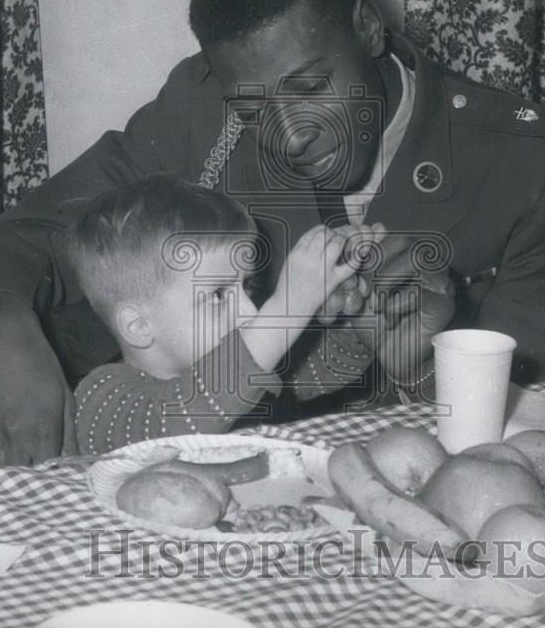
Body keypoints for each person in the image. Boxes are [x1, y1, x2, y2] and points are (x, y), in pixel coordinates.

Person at [0, 0, 545, 468]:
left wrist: (429, 365)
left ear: (368, 26)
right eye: (251, 109)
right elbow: (36, 231)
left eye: (309, 88)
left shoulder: (529, 167)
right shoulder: (200, 109)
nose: (288, 134)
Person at [64, 174, 383, 454]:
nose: (249, 311)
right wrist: (289, 308)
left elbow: (315, 370)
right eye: (218, 295)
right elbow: (182, 417)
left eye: (247, 287)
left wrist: (355, 322)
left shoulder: (233, 378)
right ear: (138, 325)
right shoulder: (102, 399)